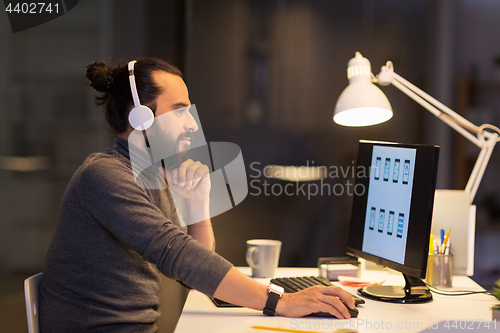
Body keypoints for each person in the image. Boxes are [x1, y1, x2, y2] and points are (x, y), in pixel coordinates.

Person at [39, 57, 355, 332]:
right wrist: (282, 302)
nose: (192, 124)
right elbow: (176, 253)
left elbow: (192, 271)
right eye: (179, 112)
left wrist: (197, 203)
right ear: (141, 118)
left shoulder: (149, 177)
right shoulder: (104, 176)